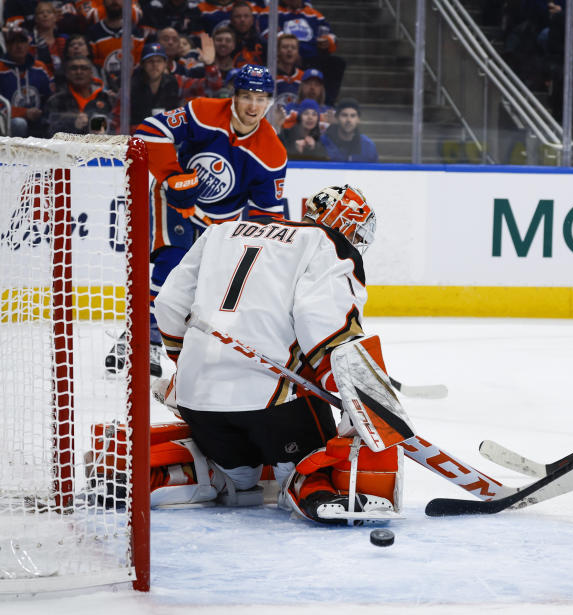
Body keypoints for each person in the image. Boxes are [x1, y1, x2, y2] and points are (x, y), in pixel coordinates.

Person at [153, 185, 401, 523]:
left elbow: (168, 303)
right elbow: (326, 328)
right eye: (356, 231)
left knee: (241, 480)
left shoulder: (220, 231)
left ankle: (193, 475)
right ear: (342, 220)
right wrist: (361, 400)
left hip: (197, 401)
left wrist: (188, 366)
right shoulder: (328, 244)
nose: (357, 240)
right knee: (305, 461)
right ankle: (309, 484)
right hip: (273, 408)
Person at [120, 64, 286, 377]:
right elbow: (149, 131)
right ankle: (144, 339)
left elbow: (267, 217)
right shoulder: (204, 112)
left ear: (269, 102)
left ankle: (158, 338)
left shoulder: (272, 154)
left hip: (220, 224)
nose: (254, 105)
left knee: (202, 287)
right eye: (247, 96)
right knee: (172, 262)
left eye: (261, 98)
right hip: (176, 201)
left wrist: (257, 251)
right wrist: (173, 175)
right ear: (233, 96)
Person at [0, 27, 54, 137]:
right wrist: (24, 113)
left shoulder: (40, 67)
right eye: (13, 42)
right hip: (8, 121)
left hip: (38, 118)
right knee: (20, 123)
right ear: (7, 45)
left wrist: (42, 112)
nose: (18, 46)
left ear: (29, 44)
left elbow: (50, 98)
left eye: (22, 41)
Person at [44, 55, 114, 135]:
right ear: (67, 73)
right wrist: (73, 124)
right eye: (74, 68)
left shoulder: (105, 98)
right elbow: (48, 131)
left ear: (91, 72)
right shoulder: (56, 100)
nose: (79, 72)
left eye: (84, 68)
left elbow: (117, 126)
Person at [128, 42, 182, 130]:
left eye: (159, 61)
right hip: (139, 138)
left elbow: (202, 86)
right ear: (142, 64)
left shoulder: (177, 82)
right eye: (150, 61)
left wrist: (209, 65)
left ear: (165, 64)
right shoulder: (130, 86)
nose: (155, 65)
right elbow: (118, 120)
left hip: (169, 138)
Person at [320, 98, 379, 163]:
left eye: (353, 116)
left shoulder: (368, 146)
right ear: (337, 118)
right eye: (344, 115)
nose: (348, 120)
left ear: (358, 119)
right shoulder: (323, 143)